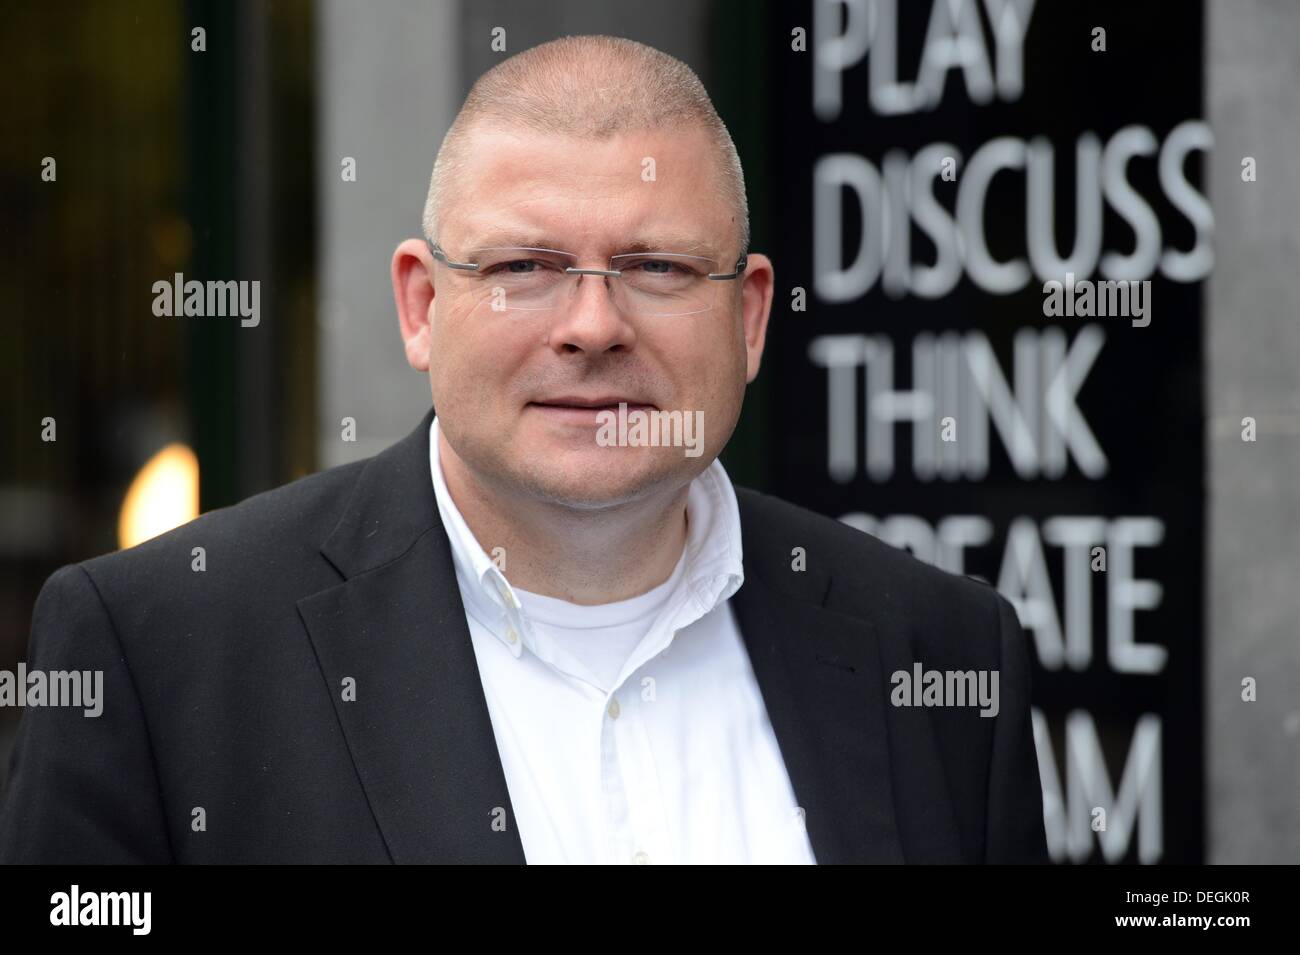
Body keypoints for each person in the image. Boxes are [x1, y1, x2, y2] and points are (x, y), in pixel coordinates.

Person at [0, 35, 1047, 864]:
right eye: (527, 265)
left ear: (751, 317)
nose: (592, 325)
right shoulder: (159, 652)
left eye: (658, 266)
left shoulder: (942, 651)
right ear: (421, 305)